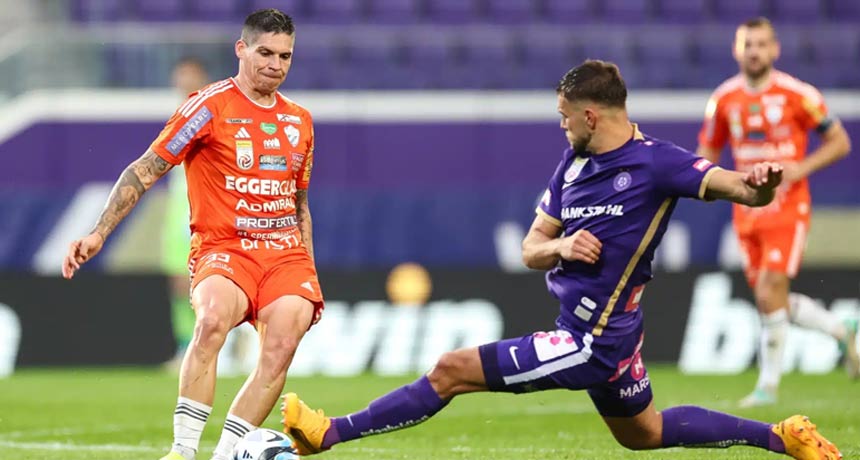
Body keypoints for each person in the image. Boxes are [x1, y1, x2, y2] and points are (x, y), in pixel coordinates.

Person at [281, 60, 841, 460]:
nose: (561, 124)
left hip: (590, 340)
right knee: (643, 433)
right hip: (605, 333)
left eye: (564, 115)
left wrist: (763, 185)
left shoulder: (658, 164)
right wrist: (561, 246)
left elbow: (739, 188)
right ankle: (782, 437)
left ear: (591, 115)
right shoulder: (571, 168)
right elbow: (531, 248)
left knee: (451, 369)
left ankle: (328, 434)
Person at [62, 9, 323, 460]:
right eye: (265, 52)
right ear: (241, 50)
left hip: (284, 253)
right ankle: (182, 451)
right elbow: (145, 168)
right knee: (212, 320)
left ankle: (225, 455)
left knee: (282, 343)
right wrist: (99, 232)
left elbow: (299, 203)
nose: (275, 64)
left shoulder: (299, 120)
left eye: (285, 56)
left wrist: (308, 271)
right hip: (224, 249)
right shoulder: (207, 105)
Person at [696, 17, 857, 408]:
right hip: (746, 208)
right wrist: (708, 184)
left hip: (788, 206)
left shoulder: (798, 95)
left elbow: (840, 142)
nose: (754, 51)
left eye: (761, 44)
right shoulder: (723, 100)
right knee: (771, 300)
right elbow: (707, 153)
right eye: (748, 44)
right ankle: (842, 329)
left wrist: (801, 168)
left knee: (770, 290)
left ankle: (767, 388)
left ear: (775, 49)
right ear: (737, 51)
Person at [163, 57, 210, 370]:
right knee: (179, 283)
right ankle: (185, 347)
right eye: (180, 76)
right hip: (178, 209)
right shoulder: (178, 116)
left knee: (206, 283)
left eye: (190, 76)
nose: (184, 81)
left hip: (201, 207)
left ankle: (214, 348)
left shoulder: (211, 112)